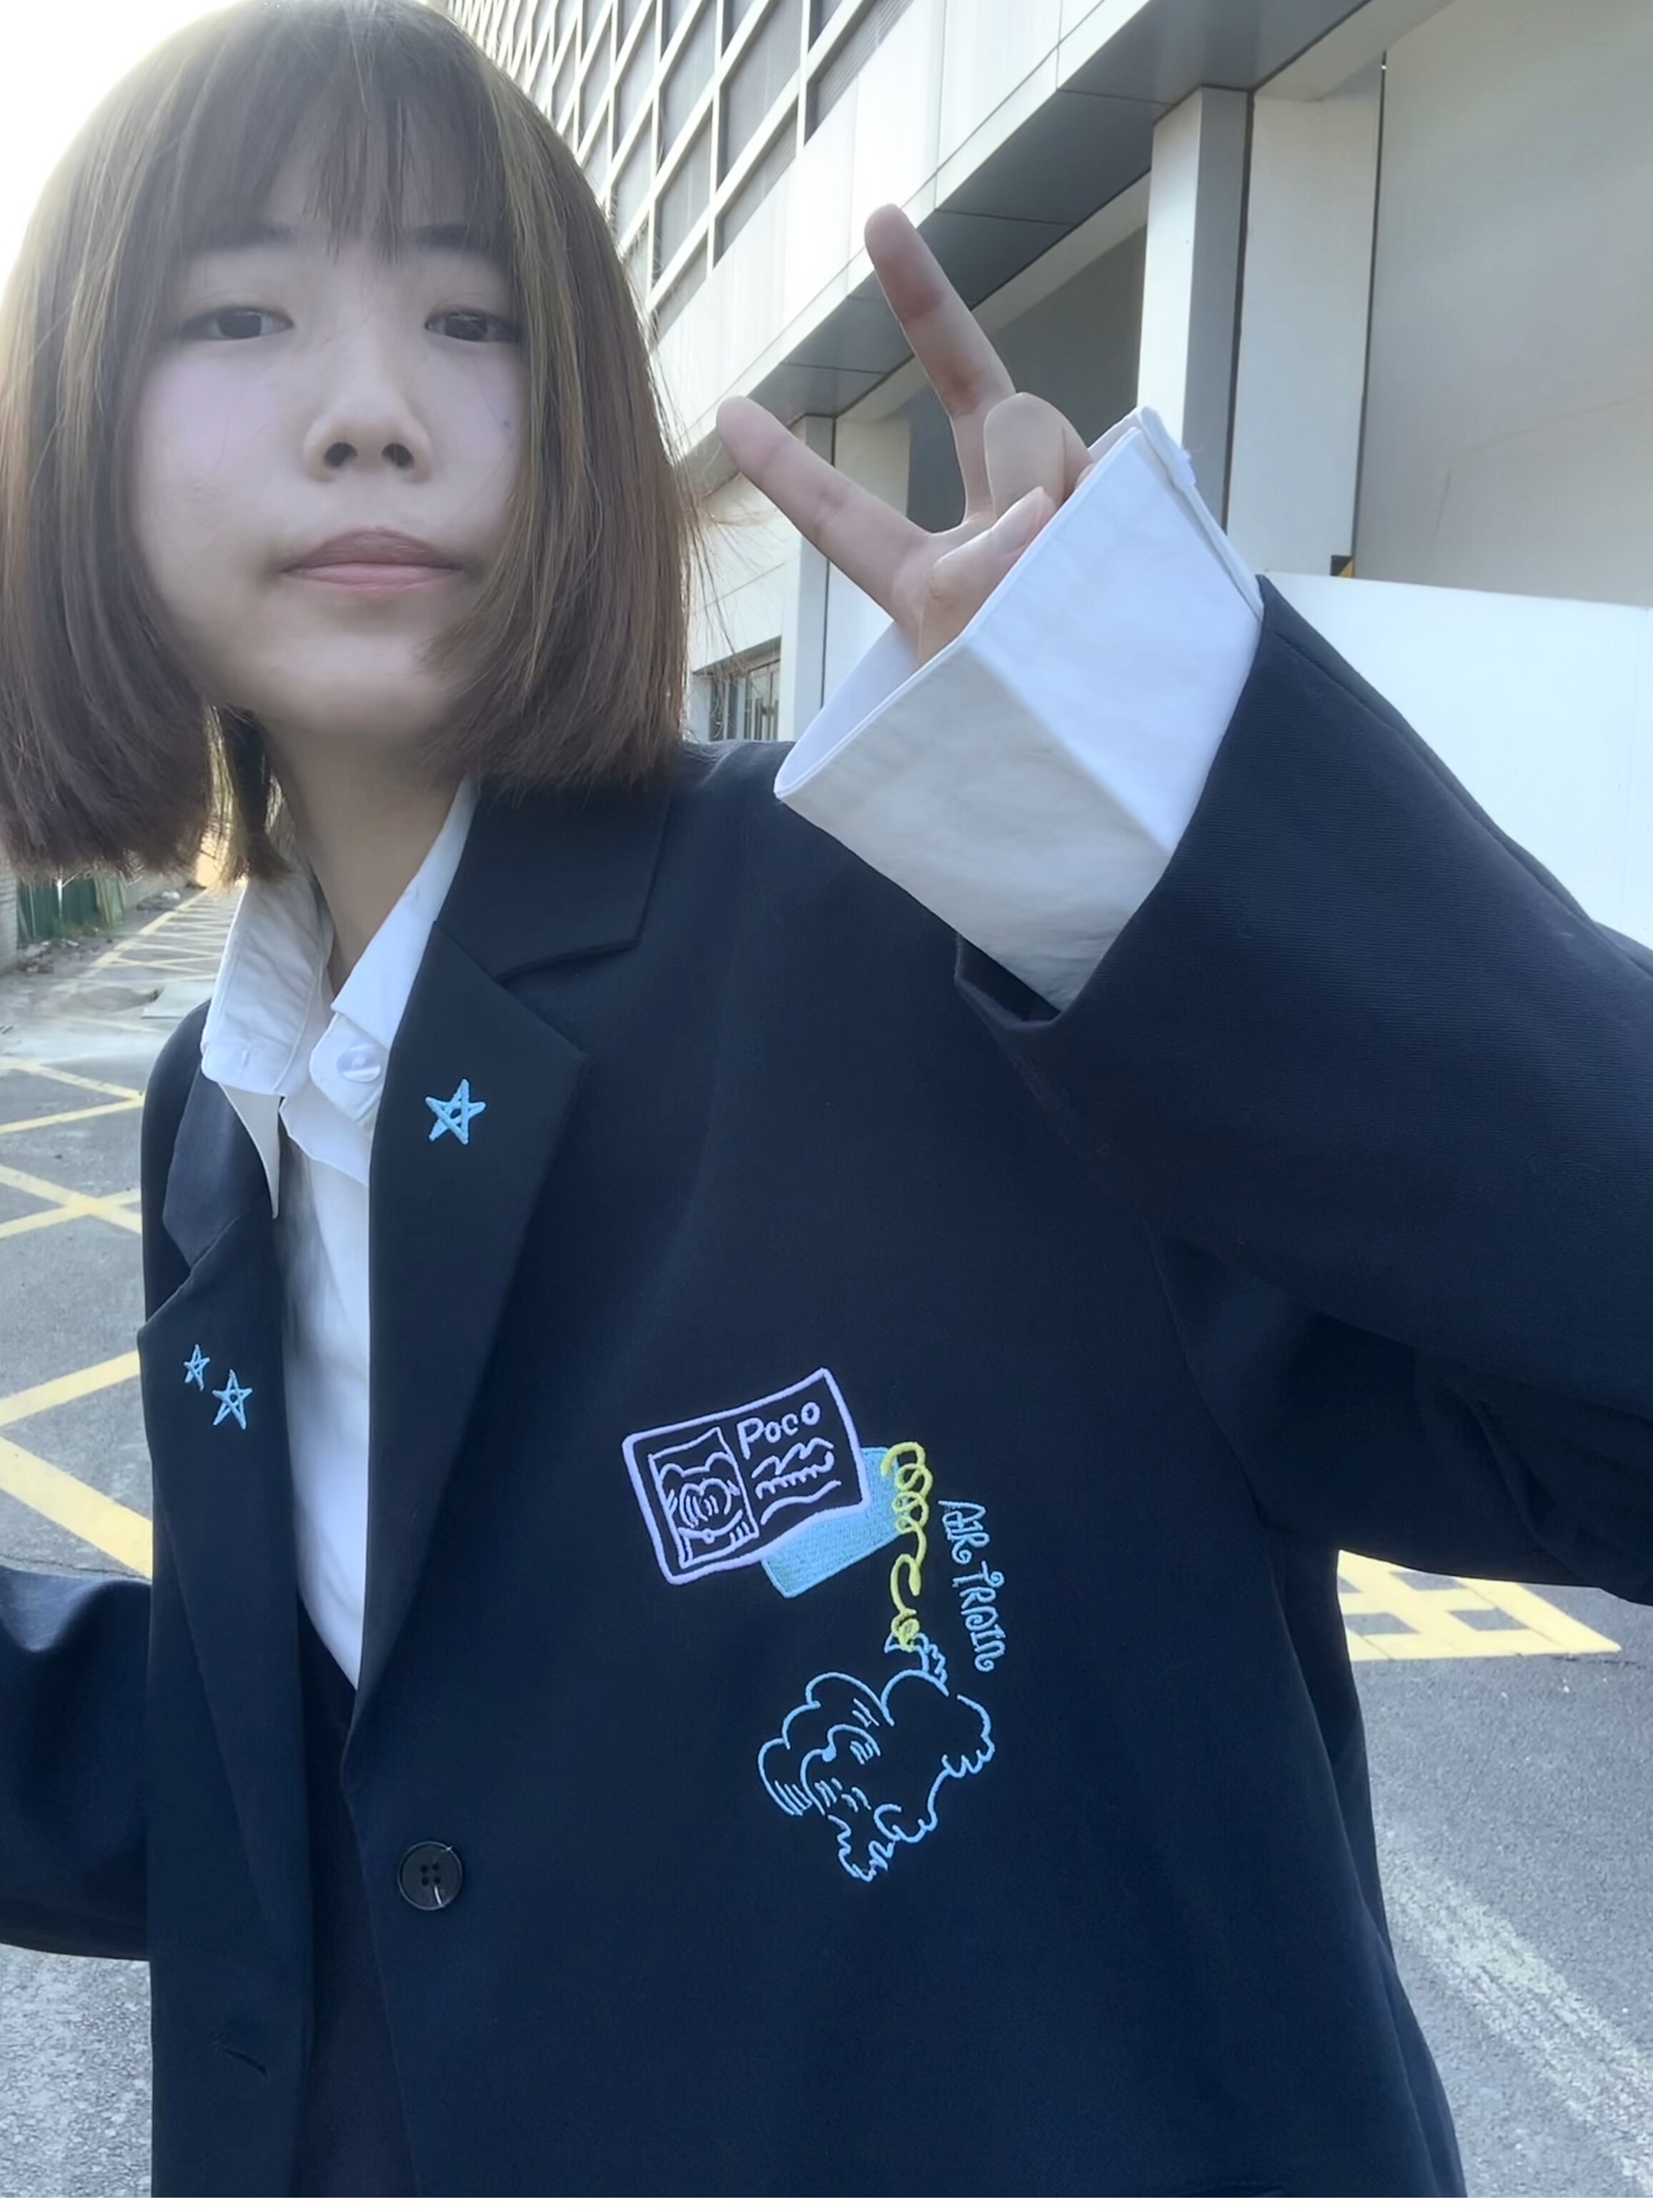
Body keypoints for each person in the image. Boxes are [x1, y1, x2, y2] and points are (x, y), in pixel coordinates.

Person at [0, 0, 1645, 2196]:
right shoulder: (219, 1111)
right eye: (239, 315)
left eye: (472, 321)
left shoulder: (928, 918)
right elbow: (321, 1781)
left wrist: (1153, 772)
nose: (370, 410)